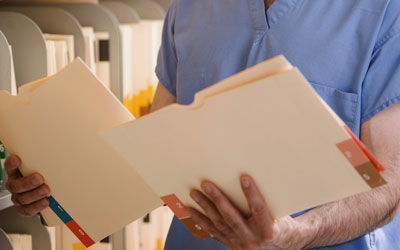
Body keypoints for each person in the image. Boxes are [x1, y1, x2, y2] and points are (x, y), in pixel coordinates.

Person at [4, 0, 400, 249]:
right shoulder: (189, 8)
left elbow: (390, 183)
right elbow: (158, 157)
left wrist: (299, 235)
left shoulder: (383, 10)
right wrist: (55, 190)